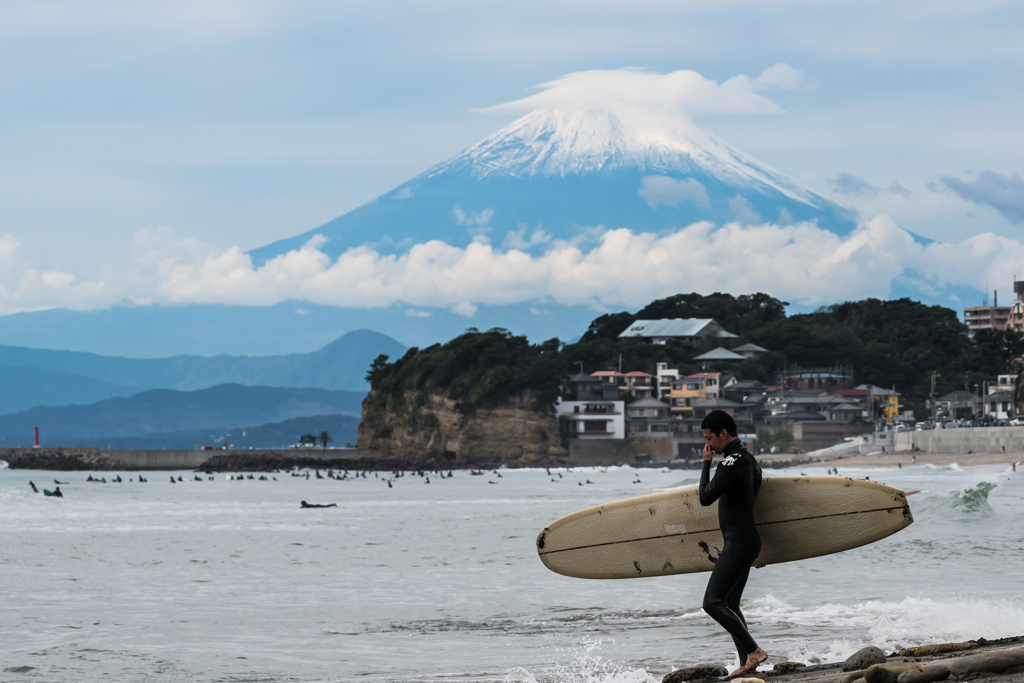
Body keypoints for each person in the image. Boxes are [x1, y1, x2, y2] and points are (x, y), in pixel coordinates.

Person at [698, 410, 767, 677]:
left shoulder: (728, 463)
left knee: (712, 602)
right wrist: (759, 549)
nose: (708, 445)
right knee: (731, 603)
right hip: (747, 541)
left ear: (723, 434)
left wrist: (706, 463)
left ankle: (754, 651)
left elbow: (705, 497)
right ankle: (747, 662)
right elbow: (753, 505)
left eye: (710, 439)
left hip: (738, 542)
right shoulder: (751, 461)